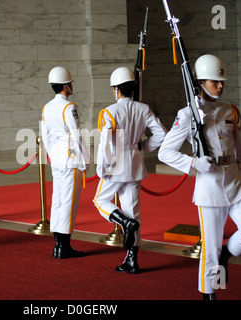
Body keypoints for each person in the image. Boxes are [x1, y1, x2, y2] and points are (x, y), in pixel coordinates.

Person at [158, 54, 241, 299]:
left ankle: (228, 254)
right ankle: (211, 293)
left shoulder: (229, 111)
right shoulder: (187, 115)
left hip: (235, 183)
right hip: (210, 187)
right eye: (215, 81)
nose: (220, 85)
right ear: (200, 83)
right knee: (211, 249)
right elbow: (165, 152)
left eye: (222, 81)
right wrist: (194, 163)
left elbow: (240, 152)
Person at [93, 67, 167, 273]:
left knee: (100, 200)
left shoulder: (110, 112)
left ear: (115, 89)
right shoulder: (144, 109)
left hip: (116, 164)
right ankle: (132, 260)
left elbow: (106, 143)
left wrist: (102, 168)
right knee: (133, 211)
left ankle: (124, 223)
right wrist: (144, 146)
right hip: (135, 163)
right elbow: (162, 134)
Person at [41, 66, 90, 259]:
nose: (71, 87)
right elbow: (76, 135)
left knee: (58, 201)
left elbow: (45, 137)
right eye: (70, 84)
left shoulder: (47, 107)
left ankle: (57, 244)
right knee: (68, 202)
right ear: (65, 86)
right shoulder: (69, 107)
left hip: (56, 159)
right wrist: (85, 160)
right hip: (70, 160)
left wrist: (52, 154)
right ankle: (64, 246)